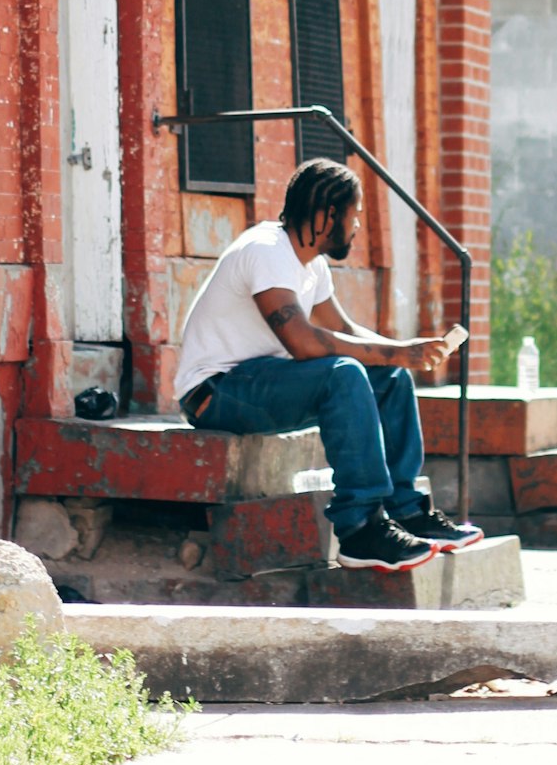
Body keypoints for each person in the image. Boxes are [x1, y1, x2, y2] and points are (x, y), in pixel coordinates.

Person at [174, 157, 483, 571]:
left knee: (389, 377)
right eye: (354, 215)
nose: (356, 226)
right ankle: (360, 529)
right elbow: (303, 342)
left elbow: (343, 329)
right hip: (215, 392)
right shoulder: (265, 251)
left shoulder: (312, 265)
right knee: (344, 373)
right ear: (329, 214)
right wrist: (396, 351)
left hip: (265, 380)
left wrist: (407, 351)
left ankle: (407, 512)